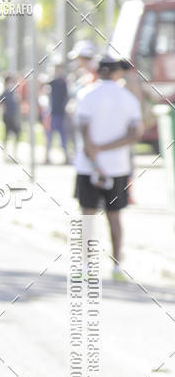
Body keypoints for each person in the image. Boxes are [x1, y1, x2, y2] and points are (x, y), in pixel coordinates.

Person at [74, 56, 142, 280]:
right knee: (115, 216)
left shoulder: (86, 94)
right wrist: (106, 148)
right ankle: (116, 265)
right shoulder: (128, 99)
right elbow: (134, 134)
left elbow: (83, 130)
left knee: (88, 215)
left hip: (88, 167)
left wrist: (95, 150)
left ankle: (86, 266)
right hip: (117, 167)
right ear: (116, 73)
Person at [45, 64, 71, 164]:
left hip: (61, 113)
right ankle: (46, 157)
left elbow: (67, 96)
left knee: (63, 137)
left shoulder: (64, 82)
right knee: (49, 136)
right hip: (52, 113)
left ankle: (66, 157)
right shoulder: (52, 82)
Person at [0, 74, 21, 161]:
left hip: (14, 116)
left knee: (16, 134)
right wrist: (5, 110)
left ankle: (15, 154)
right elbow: (0, 103)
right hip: (8, 117)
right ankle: (6, 155)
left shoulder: (13, 92)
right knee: (7, 135)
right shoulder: (5, 92)